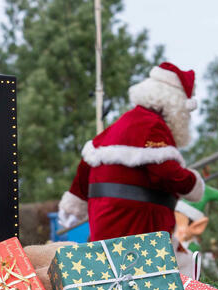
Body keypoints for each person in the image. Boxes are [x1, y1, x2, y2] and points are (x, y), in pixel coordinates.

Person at [58, 62, 205, 241]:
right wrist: (193, 183)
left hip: (106, 229)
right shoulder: (152, 126)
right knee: (181, 264)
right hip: (137, 233)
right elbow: (166, 173)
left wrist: (75, 202)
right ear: (175, 103)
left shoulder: (122, 124)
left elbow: (86, 165)